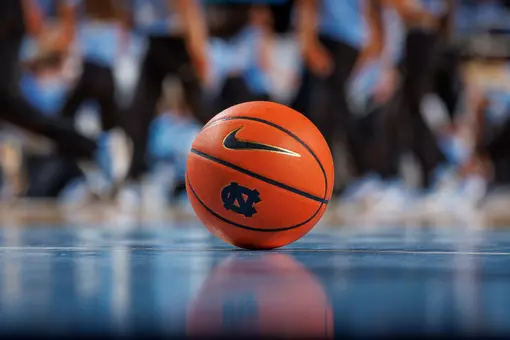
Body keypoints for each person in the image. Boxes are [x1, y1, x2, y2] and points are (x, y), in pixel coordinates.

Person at [119, 0, 209, 207]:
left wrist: (198, 53)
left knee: (201, 109)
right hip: (153, 40)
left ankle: (228, 162)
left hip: (177, 39)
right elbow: (128, 15)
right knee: (140, 111)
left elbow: (188, 8)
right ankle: (136, 175)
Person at [295, 0, 386, 197]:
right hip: (329, 40)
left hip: (353, 44)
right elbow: (307, 6)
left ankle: (346, 177)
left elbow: (371, 9)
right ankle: (320, 179)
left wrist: (374, 45)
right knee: (322, 114)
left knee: (337, 114)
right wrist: (308, 43)